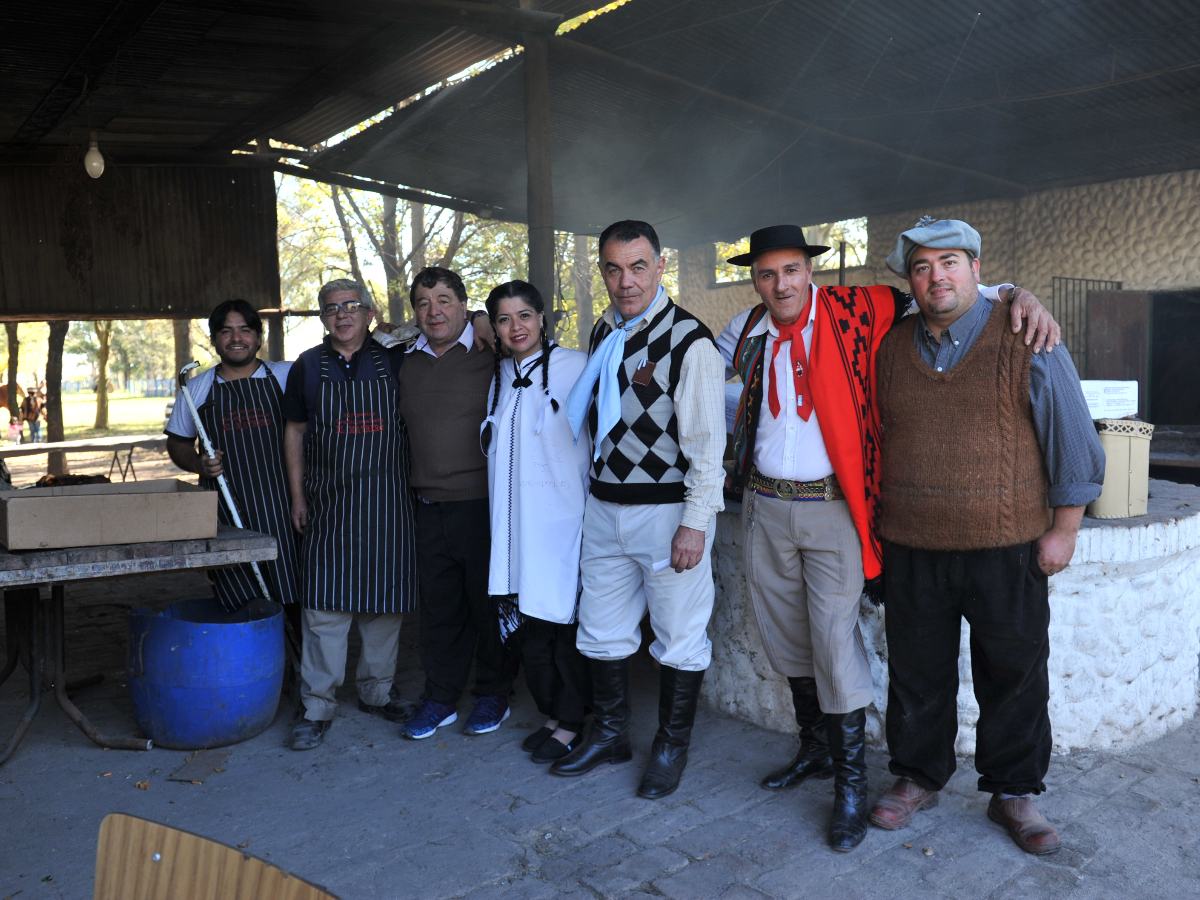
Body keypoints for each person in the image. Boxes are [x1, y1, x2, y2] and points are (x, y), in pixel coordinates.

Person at [716, 225, 1060, 851]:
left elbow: (954, 296)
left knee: (984, 666)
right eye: (766, 274)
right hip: (788, 510)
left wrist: (1018, 294)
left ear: (810, 271)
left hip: (844, 509)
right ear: (755, 281)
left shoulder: (860, 310)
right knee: (839, 651)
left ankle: (906, 788)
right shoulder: (744, 333)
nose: (780, 283)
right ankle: (843, 759)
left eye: (791, 270)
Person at [867, 218, 1105, 855]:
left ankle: (1014, 791)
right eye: (922, 267)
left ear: (977, 269)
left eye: (950, 262)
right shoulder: (890, 348)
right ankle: (917, 777)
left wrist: (1065, 528)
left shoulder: (1027, 334)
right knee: (916, 673)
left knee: (1015, 673)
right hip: (913, 543)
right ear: (910, 280)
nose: (936, 276)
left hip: (1007, 544)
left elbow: (1072, 434)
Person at [554, 220, 726, 801]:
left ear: (659, 267)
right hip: (605, 508)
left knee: (679, 636)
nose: (625, 281)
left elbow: (707, 446)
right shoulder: (607, 328)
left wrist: (694, 524)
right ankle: (609, 735)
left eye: (637, 267)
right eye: (612, 268)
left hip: (665, 513)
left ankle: (671, 746)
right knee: (602, 630)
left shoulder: (689, 340)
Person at [282, 279, 419, 750]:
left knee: (385, 608)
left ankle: (378, 692)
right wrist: (298, 497)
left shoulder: (396, 358)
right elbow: (295, 433)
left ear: (368, 312)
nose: (342, 315)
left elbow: (447, 326)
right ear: (322, 317)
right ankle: (317, 704)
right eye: (331, 308)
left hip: (388, 503)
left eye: (352, 307)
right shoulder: (307, 367)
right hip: (329, 504)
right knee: (324, 607)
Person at [397, 267, 521, 741]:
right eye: (425, 303)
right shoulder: (403, 361)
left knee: (488, 605)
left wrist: (491, 326)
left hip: (482, 506)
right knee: (439, 609)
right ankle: (441, 697)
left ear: (465, 307)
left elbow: (526, 325)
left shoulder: (495, 355)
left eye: (445, 300)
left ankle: (493, 694)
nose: (435, 312)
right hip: (426, 505)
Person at [481, 281, 593, 764]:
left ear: (543, 318)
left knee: (562, 623)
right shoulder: (500, 374)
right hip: (514, 526)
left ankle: (573, 721)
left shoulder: (576, 367)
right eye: (504, 319)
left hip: (561, 520)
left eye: (524, 315)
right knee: (532, 628)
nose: (515, 327)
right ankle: (553, 714)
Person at [165, 300, 300, 629]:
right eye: (226, 331)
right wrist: (199, 463)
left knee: (296, 593)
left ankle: (298, 668)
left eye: (245, 330)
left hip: (286, 508)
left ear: (258, 337)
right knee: (240, 601)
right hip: (228, 514)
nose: (236, 338)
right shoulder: (196, 389)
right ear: (213, 340)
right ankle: (259, 668)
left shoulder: (286, 376)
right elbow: (177, 443)